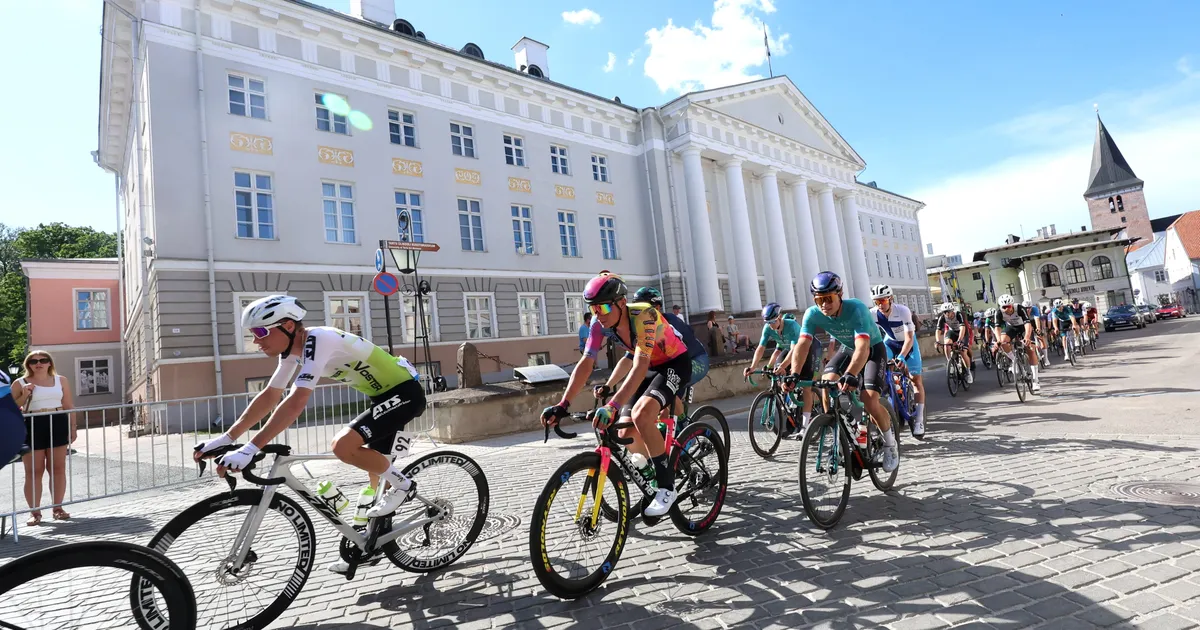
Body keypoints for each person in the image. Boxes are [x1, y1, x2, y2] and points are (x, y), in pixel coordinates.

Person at [192, 295, 427, 571]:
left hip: (404, 394)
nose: (256, 340)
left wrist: (250, 449)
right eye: (253, 333)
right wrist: (227, 439)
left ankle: (405, 486)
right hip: (382, 399)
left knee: (342, 446)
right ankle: (370, 546)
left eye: (260, 332)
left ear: (288, 326)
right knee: (373, 482)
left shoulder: (319, 339)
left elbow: (296, 401)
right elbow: (270, 396)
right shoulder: (293, 351)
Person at [542, 273, 691, 518]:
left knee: (642, 414)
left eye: (602, 306)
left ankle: (666, 487)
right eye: (592, 308)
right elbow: (586, 363)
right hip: (648, 367)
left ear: (621, 303)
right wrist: (563, 404)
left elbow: (640, 365)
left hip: (674, 363)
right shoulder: (599, 325)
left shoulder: (645, 315)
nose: (597, 313)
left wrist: (611, 405)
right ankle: (655, 465)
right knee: (624, 431)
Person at [782, 271, 898, 472]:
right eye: (819, 300)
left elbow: (863, 348)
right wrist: (794, 373)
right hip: (848, 347)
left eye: (828, 299)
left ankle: (890, 444)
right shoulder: (812, 313)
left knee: (869, 399)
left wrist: (851, 374)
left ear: (840, 294)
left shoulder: (856, 308)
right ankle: (839, 431)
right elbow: (802, 345)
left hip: (872, 348)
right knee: (827, 384)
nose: (824, 305)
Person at [10, 351, 77, 525]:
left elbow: (69, 405)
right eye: (33, 361)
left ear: (49, 363)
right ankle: (35, 513)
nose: (38, 363)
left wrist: (73, 427)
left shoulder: (61, 380)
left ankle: (58, 508)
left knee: (58, 468)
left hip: (57, 421)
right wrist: (24, 395)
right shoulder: (20, 383)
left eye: (43, 360)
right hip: (31, 423)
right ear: (28, 364)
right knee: (33, 471)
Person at [743, 302, 821, 436]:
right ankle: (792, 404)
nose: (771, 325)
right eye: (768, 322)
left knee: (806, 388)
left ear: (779, 317)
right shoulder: (768, 328)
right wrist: (752, 367)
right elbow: (761, 348)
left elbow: (795, 350)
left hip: (807, 350)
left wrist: (784, 366)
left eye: (773, 321)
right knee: (779, 372)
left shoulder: (792, 326)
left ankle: (805, 426)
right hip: (789, 350)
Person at [870, 285, 925, 439]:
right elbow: (872, 336)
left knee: (916, 380)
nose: (880, 304)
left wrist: (901, 356)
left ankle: (919, 419)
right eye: (876, 302)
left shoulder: (902, 311)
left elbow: (908, 338)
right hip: (890, 342)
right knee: (881, 370)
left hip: (908, 343)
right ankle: (890, 398)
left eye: (883, 300)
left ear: (890, 299)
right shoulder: (873, 314)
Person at [989, 294, 1041, 392]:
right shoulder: (999, 312)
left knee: (1030, 349)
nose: (1006, 309)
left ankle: (1035, 380)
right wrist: (998, 340)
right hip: (1012, 327)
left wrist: (1026, 337)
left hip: (1024, 327)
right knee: (1003, 342)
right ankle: (1014, 361)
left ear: (1012, 305)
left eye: (1008, 306)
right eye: (1004, 307)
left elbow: (1027, 323)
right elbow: (997, 328)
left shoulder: (1020, 308)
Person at [935, 303, 973, 384]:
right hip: (952, 332)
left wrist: (959, 340)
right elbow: (938, 330)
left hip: (962, 333)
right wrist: (937, 340)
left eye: (948, 312)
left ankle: (968, 372)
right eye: (945, 312)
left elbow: (962, 327)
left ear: (952, 311)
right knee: (947, 343)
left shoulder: (958, 314)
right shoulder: (942, 317)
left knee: (963, 352)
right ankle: (950, 363)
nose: (947, 314)